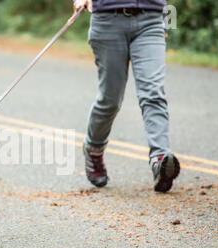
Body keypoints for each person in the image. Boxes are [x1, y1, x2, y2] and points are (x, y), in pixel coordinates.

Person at [73, 0, 180, 193]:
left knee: (153, 94)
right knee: (110, 100)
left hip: (150, 19)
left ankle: (160, 159)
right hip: (107, 20)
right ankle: (94, 149)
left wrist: (164, 19)